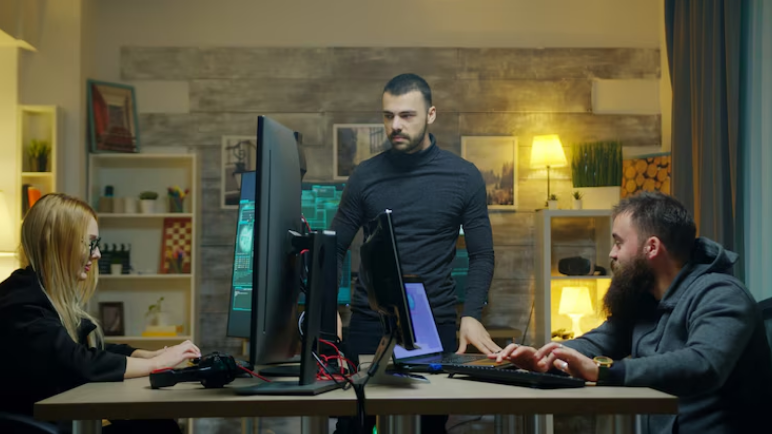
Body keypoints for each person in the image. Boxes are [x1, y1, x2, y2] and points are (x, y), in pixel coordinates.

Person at [493, 192, 772, 434]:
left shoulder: (722, 295)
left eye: (618, 242)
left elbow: (702, 365)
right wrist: (547, 355)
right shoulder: (645, 299)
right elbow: (600, 341)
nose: (612, 254)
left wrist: (603, 371)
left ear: (651, 247)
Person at [331, 73, 500, 433]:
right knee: (352, 424)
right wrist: (326, 307)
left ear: (431, 115)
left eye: (407, 115)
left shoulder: (464, 177)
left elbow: (482, 255)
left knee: (431, 427)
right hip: (368, 322)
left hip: (433, 323)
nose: (395, 125)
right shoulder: (365, 176)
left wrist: (471, 314)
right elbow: (332, 250)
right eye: (388, 115)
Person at [0, 193, 201, 433]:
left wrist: (146, 356)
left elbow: (85, 350)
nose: (97, 255)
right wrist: (157, 363)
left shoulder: (36, 293)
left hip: (51, 423)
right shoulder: (22, 305)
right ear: (56, 241)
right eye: (90, 243)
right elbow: (78, 363)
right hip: (35, 428)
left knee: (157, 424)